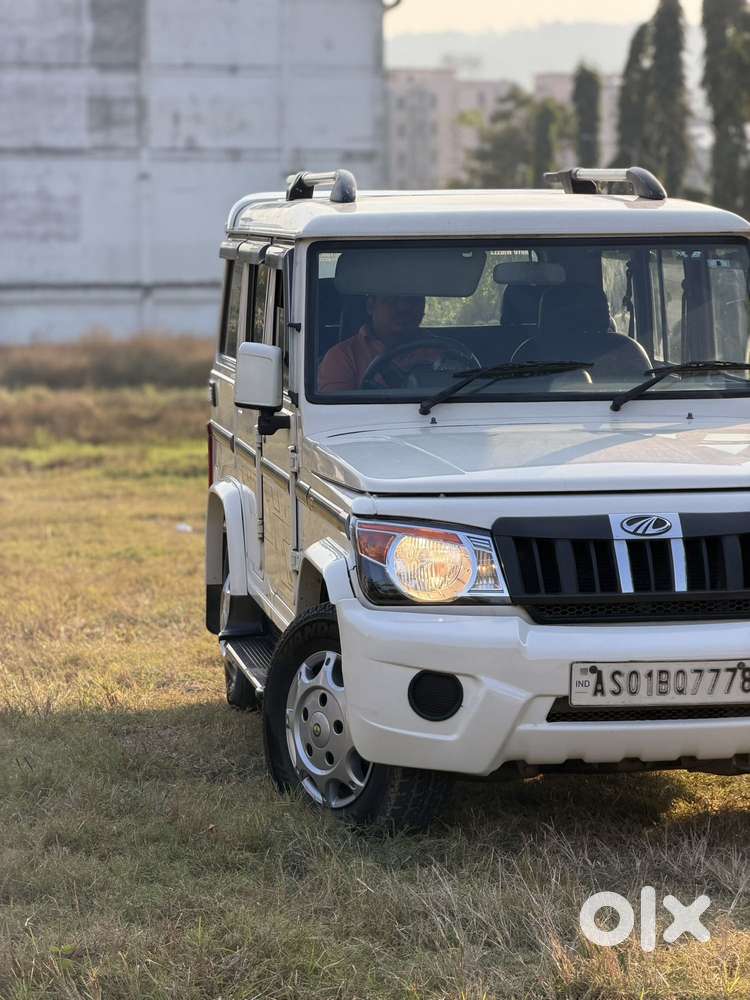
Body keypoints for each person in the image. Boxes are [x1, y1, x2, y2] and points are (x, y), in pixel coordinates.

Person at [318, 293, 427, 393]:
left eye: (414, 299)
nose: (404, 307)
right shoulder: (342, 356)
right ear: (370, 306)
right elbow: (337, 411)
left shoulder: (441, 349)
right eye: (391, 299)